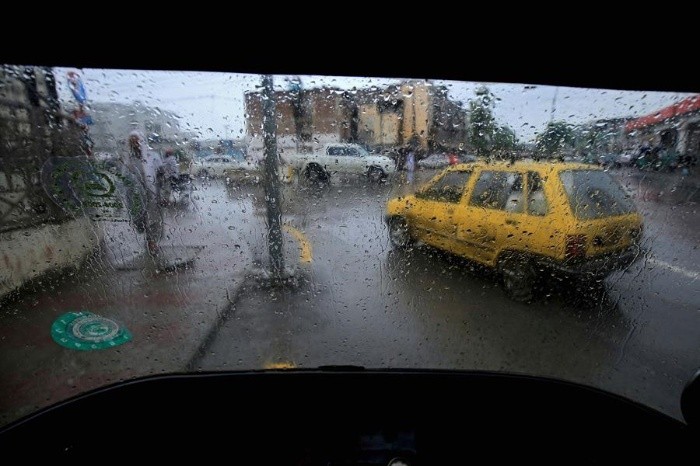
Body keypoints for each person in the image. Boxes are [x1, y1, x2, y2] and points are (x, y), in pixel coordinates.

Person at [124, 130, 164, 257]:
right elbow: (124, 178)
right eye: (131, 142)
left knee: (153, 219)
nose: (134, 144)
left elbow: (161, 175)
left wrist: (162, 194)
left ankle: (153, 242)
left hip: (151, 194)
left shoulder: (153, 157)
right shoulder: (128, 160)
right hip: (135, 195)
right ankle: (149, 240)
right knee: (140, 219)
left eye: (136, 141)